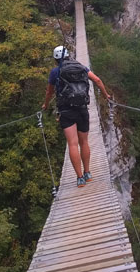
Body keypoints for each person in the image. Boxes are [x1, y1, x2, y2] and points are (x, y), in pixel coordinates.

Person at [41, 44, 111, 188]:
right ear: (68, 55)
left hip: (66, 111)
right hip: (82, 108)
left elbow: (49, 92)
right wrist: (106, 95)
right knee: (84, 142)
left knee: (72, 144)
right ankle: (88, 173)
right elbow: (97, 80)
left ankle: (80, 178)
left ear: (55, 59)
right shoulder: (80, 67)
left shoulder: (55, 72)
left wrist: (46, 105)